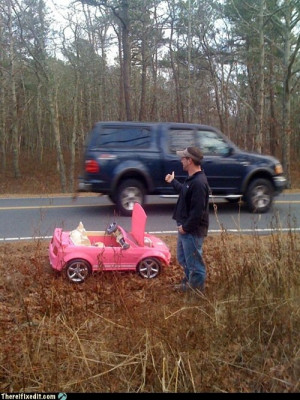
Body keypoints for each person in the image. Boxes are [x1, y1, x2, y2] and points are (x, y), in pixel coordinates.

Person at [165, 146, 210, 292]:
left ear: (190, 160)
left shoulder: (199, 183)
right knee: (184, 259)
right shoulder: (192, 179)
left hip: (191, 231)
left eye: (183, 158)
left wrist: (185, 228)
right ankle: (188, 285)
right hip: (185, 228)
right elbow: (184, 192)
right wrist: (173, 181)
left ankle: (196, 294)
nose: (181, 161)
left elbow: (198, 212)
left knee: (195, 265)